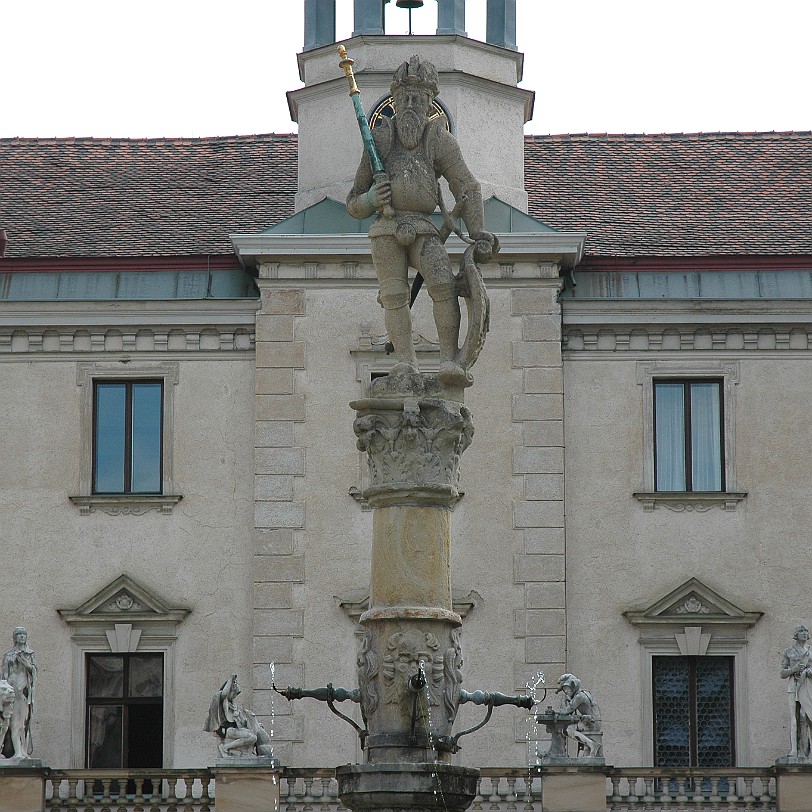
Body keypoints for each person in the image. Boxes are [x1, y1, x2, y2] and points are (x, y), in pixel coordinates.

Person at [347, 55, 496, 383]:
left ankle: (448, 359)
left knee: (443, 284)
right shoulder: (381, 140)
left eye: (419, 99)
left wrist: (477, 231)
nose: (411, 104)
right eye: (405, 98)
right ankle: (405, 362)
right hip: (386, 228)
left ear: (430, 103)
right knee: (394, 295)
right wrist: (372, 198)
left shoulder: (439, 139)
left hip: (424, 227)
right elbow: (354, 202)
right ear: (395, 102)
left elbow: (466, 185)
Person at [1, 627, 36, 759]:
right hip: (12, 693)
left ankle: (23, 751)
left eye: (23, 634)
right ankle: (17, 752)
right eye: (19, 634)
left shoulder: (30, 654)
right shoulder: (8, 655)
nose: (21, 636)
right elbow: (3, 676)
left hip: (24, 694)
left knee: (23, 723)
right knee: (13, 723)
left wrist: (27, 664)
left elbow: (34, 673)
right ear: (15, 637)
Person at [204, 675, 258, 758]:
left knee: (253, 734)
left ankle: (242, 752)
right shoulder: (224, 702)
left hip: (233, 729)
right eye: (233, 693)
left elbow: (241, 723)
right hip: (226, 729)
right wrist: (231, 679)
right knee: (252, 737)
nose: (234, 696)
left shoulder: (233, 704)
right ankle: (225, 747)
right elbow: (224, 693)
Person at [780, 624, 812, 758]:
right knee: (794, 718)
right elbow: (782, 673)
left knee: (807, 716)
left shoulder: (810, 651)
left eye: (806, 631)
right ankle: (794, 749)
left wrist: (810, 671)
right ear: (796, 634)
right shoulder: (789, 651)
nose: (805, 633)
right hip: (793, 686)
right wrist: (794, 669)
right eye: (801, 631)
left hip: (807, 685)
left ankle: (808, 750)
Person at [555, 673, 603, 758]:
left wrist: (564, 700)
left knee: (567, 730)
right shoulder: (583, 693)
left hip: (592, 723)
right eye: (564, 689)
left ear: (573, 686)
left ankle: (593, 745)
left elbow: (566, 711)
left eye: (567, 688)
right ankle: (561, 753)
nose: (566, 691)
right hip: (591, 721)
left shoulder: (579, 697)